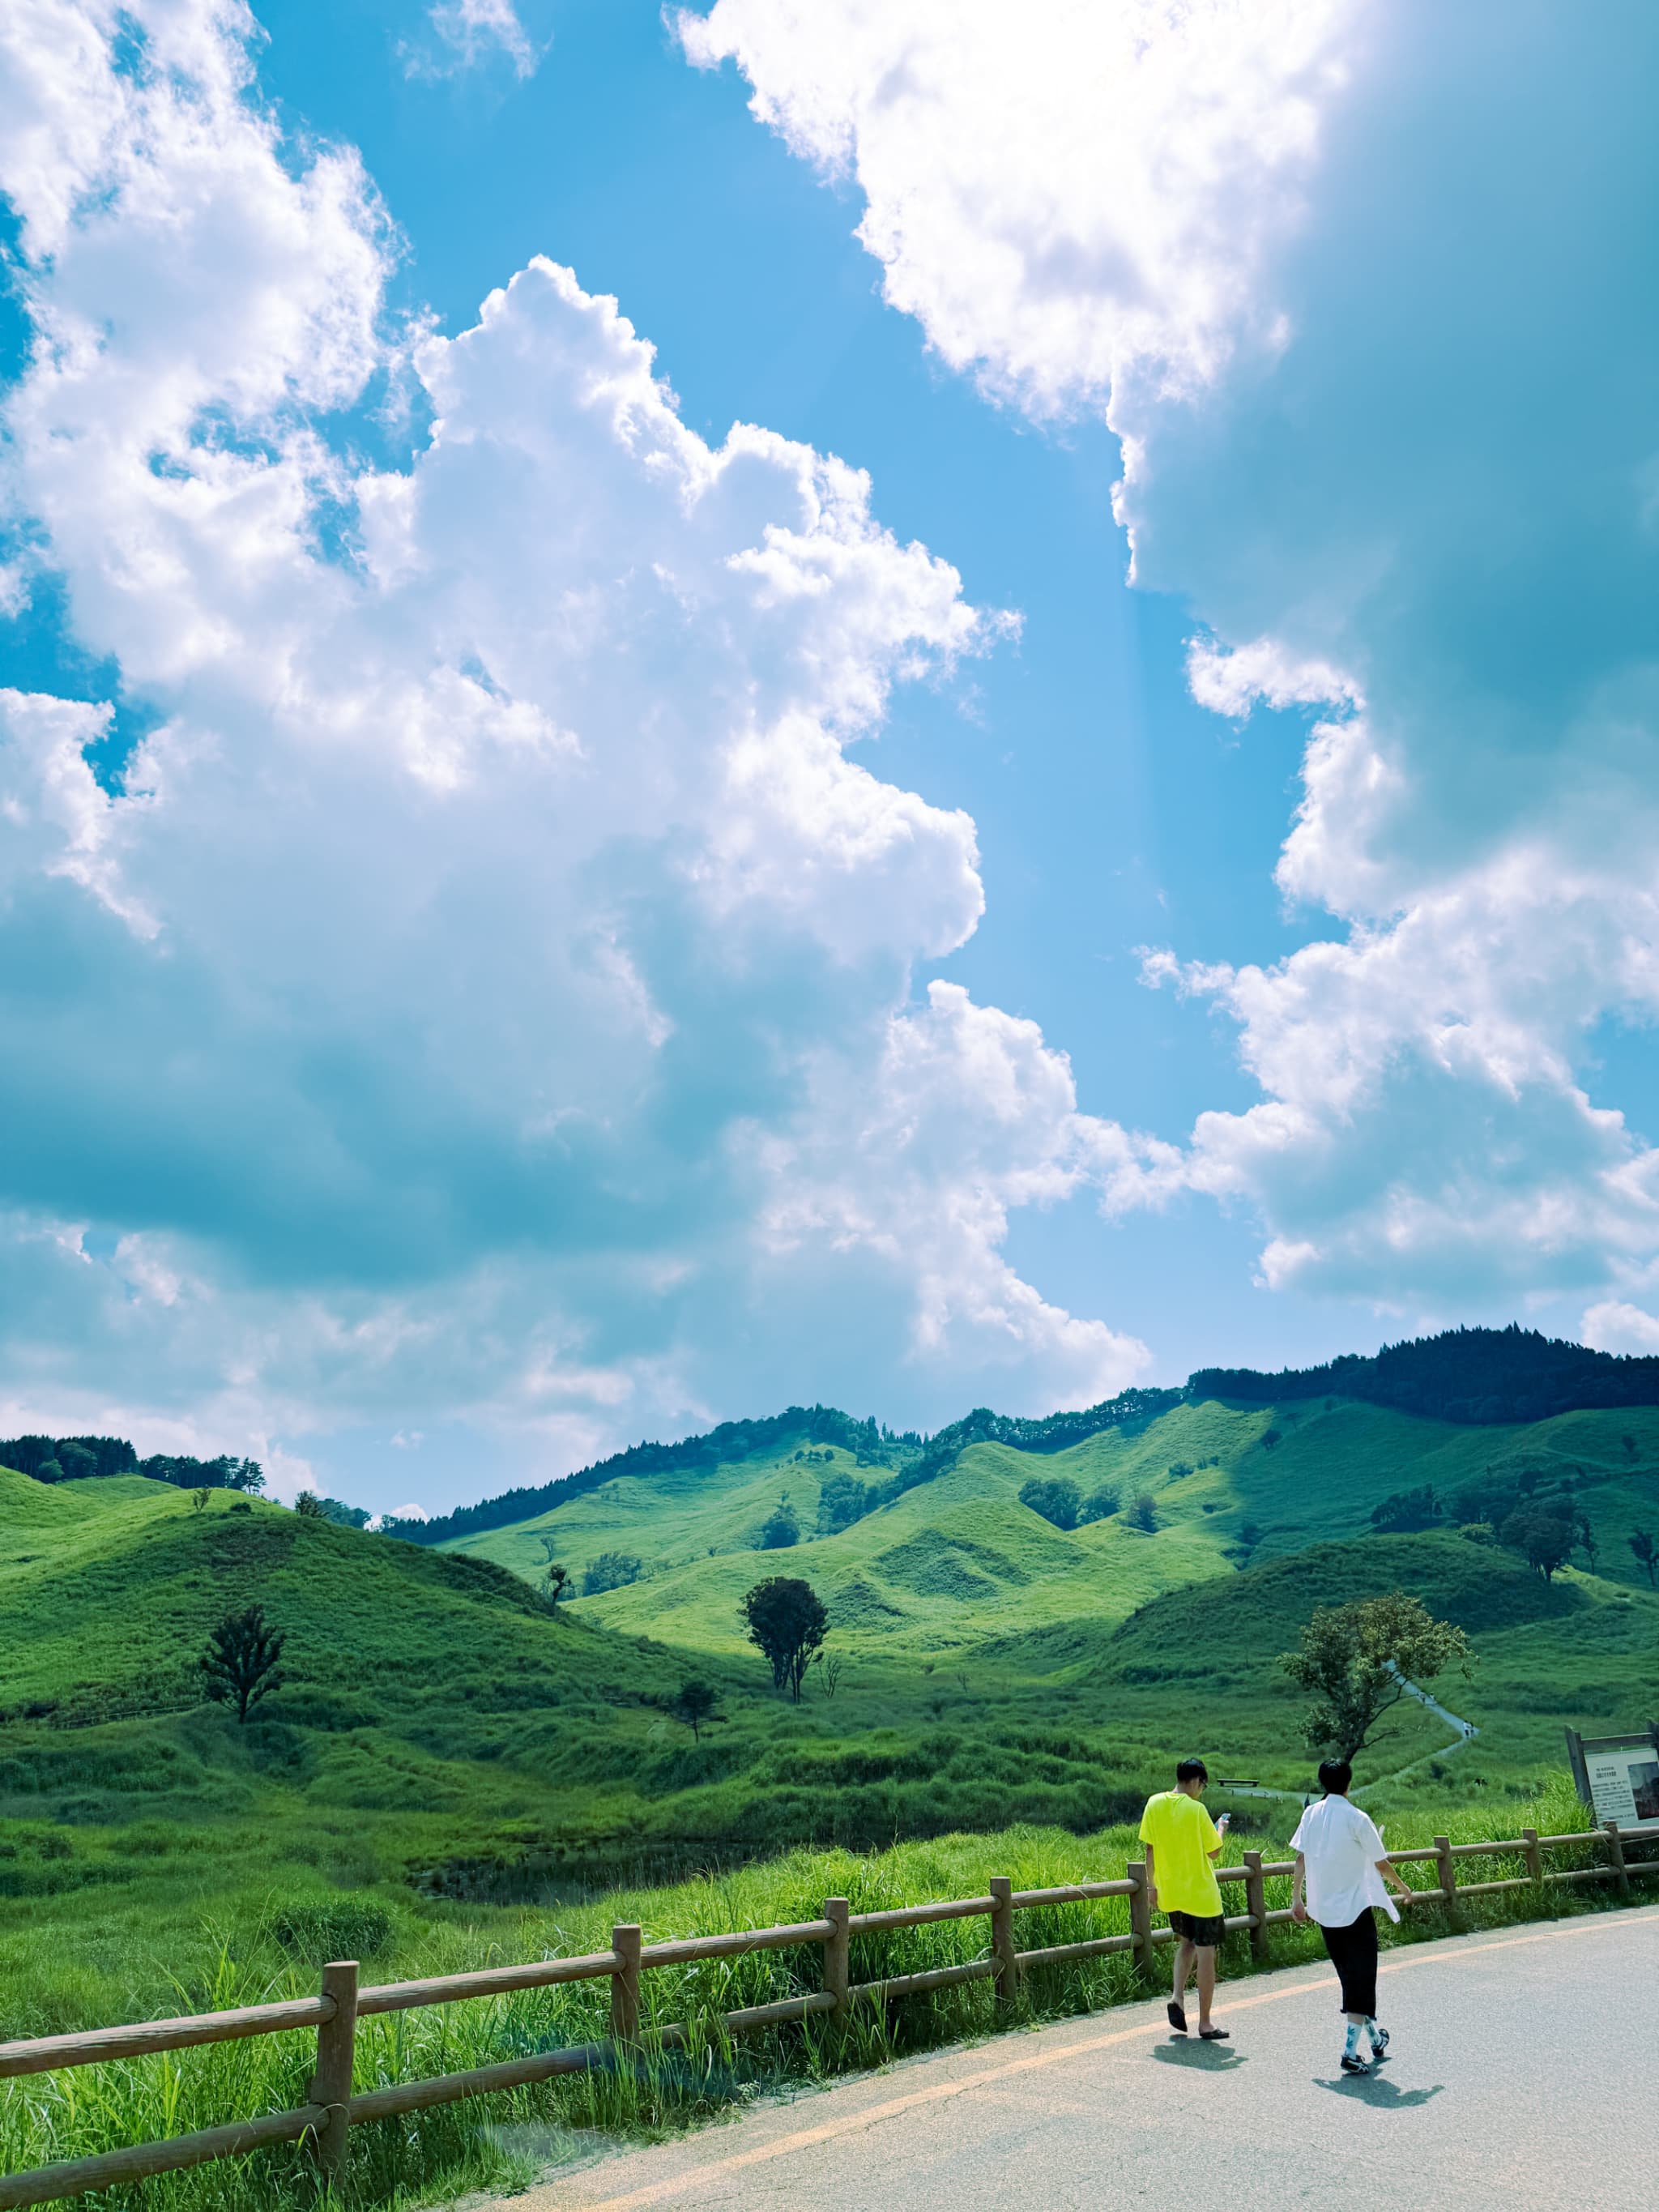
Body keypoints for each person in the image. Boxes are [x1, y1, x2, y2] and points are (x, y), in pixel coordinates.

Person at [1290, 1757, 1415, 2074]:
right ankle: (1349, 2052)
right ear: (1349, 1782)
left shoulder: (1311, 1814)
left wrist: (1297, 1899)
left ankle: (1375, 2039)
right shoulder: (1357, 1818)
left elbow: (1300, 1858)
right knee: (1362, 1978)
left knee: (1350, 1978)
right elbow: (1381, 1863)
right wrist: (1404, 1889)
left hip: (1324, 1911)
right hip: (1355, 1910)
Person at [1140, 1757, 1232, 2039]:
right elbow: (1214, 1851)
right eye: (1202, 1785)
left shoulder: (1154, 1803)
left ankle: (1177, 1997)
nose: (1201, 1790)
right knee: (1207, 1955)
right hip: (1201, 1895)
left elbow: (1150, 1850)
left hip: (1172, 1893)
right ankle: (1205, 2022)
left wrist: (1150, 1887)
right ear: (1195, 1781)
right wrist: (1221, 1828)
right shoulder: (1196, 1809)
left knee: (1186, 1944)